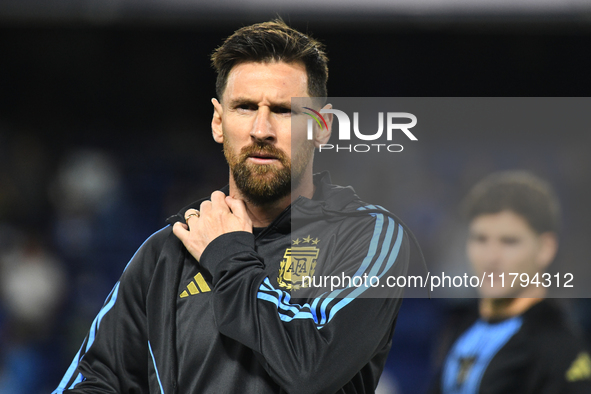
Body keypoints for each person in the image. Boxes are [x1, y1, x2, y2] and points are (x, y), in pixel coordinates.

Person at [53, 19, 411, 394]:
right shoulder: (167, 253)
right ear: (218, 122)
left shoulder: (367, 236)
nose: (261, 129)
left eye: (284, 110)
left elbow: (310, 370)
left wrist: (228, 255)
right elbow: (95, 381)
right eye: (244, 107)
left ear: (322, 128)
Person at [432, 171, 591, 394]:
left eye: (509, 242)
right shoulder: (463, 328)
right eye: (480, 239)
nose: (491, 257)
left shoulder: (559, 347)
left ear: (545, 248)